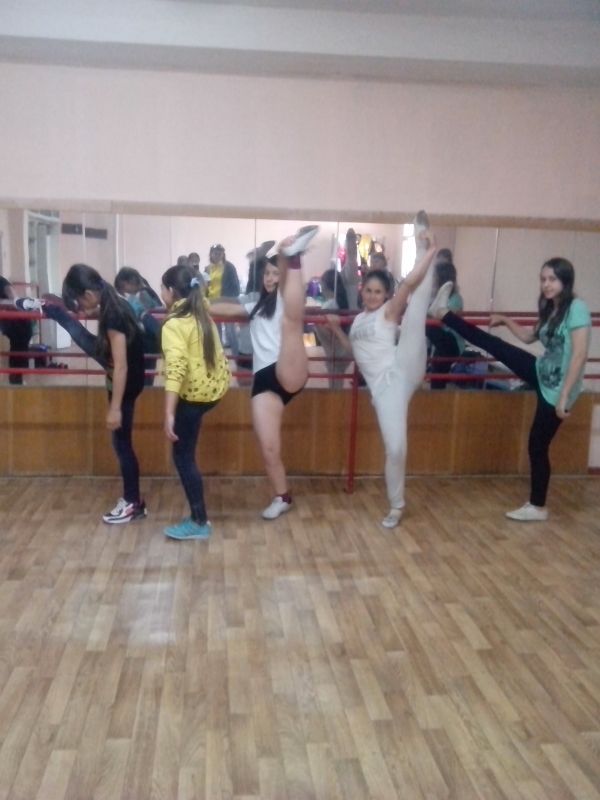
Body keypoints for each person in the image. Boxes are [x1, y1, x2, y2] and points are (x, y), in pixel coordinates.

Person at [429, 256, 591, 522]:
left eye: (552, 279)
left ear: (565, 280)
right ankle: (443, 313)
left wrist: (564, 396)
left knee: (537, 445)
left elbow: (580, 354)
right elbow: (528, 337)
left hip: (559, 389)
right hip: (541, 371)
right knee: (495, 345)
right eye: (543, 279)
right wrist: (505, 320)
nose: (546, 284)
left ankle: (538, 507)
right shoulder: (551, 308)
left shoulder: (577, 308)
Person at [327, 212, 437, 529]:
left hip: (402, 367)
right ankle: (397, 505)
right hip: (385, 391)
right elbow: (355, 353)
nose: (373, 295)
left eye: (378, 291)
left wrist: (430, 251)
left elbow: (408, 284)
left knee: (414, 314)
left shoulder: (388, 311)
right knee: (396, 448)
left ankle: (424, 244)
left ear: (385, 295)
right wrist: (335, 329)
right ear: (362, 292)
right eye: (369, 291)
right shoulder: (358, 322)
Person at [210, 226, 318, 519]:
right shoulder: (254, 305)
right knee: (268, 446)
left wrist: (284, 255)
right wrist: (193, 305)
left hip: (289, 367)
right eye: (267, 274)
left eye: (275, 274)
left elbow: (289, 297)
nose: (270, 279)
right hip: (265, 380)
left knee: (291, 322)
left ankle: (294, 257)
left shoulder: (284, 297)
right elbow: (224, 309)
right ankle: (282, 496)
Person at [54, 264, 147, 524]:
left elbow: (121, 366)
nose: (82, 308)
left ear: (88, 293)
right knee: (122, 444)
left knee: (122, 445)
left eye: (80, 302)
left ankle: (132, 503)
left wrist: (115, 408)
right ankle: (134, 502)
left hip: (125, 382)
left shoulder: (114, 315)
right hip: (128, 378)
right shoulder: (113, 301)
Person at [160, 265, 231, 540]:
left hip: (194, 396)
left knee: (183, 457)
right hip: (214, 390)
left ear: (170, 291)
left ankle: (199, 521)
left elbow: (175, 369)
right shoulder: (200, 310)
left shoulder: (175, 324)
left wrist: (169, 412)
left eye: (162, 288)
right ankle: (199, 519)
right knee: (186, 453)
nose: (161, 293)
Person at [115, 266, 163, 386]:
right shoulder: (124, 299)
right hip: (137, 343)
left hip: (147, 342)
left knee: (146, 376)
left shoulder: (143, 294)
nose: (138, 286)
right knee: (139, 376)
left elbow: (156, 310)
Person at [426, 260, 465, 389]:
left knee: (426, 324)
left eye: (435, 277)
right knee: (437, 374)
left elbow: (443, 320)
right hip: (443, 344)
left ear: (441, 279)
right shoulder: (438, 297)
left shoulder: (456, 299)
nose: (433, 280)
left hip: (452, 343)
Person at [314, 267, 351, 389]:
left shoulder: (330, 306)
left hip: (336, 352)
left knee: (335, 386)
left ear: (325, 285)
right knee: (336, 383)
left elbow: (327, 328)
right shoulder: (338, 303)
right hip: (337, 350)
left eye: (321, 283)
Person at [203, 244, 241, 355]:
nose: (217, 255)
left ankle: (237, 357)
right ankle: (219, 357)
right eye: (215, 253)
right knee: (216, 332)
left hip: (226, 302)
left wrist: (231, 301)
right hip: (212, 302)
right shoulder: (207, 269)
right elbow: (205, 286)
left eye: (220, 253)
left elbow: (236, 286)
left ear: (223, 254)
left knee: (230, 331)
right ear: (211, 254)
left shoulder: (229, 267)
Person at [0, 275, 34, 385]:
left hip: (16, 321)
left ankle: (16, 377)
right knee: (19, 342)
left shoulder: (2, 282)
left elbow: (12, 296)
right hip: (13, 321)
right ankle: (16, 377)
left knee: (20, 342)